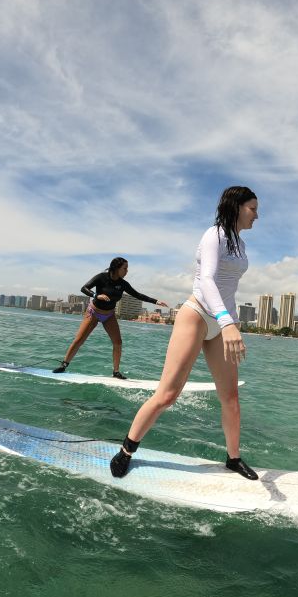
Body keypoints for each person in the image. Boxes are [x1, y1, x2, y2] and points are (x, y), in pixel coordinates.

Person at [109, 186, 260, 480]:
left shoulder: (240, 244)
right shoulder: (213, 235)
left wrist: (230, 321)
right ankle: (126, 449)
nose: (257, 215)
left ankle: (233, 458)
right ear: (237, 207)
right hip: (197, 315)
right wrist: (226, 323)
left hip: (223, 320)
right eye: (252, 208)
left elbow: (229, 286)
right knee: (167, 396)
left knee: (230, 398)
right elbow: (206, 280)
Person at [53, 257, 168, 379]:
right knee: (79, 340)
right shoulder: (101, 277)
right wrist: (97, 295)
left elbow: (137, 295)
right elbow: (84, 288)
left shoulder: (123, 284)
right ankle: (64, 365)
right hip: (94, 312)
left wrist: (156, 301)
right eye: (125, 268)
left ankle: (116, 372)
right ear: (116, 268)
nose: (127, 271)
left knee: (118, 342)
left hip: (109, 315)